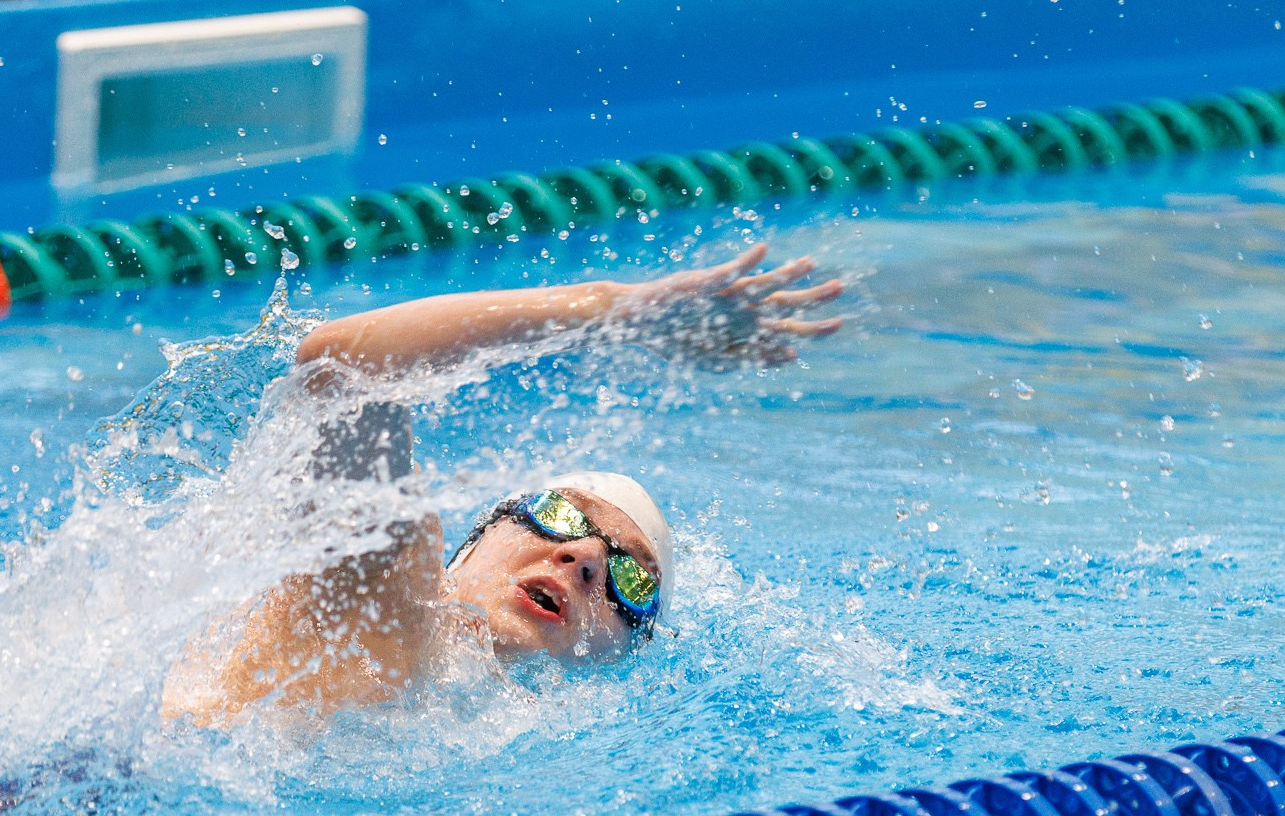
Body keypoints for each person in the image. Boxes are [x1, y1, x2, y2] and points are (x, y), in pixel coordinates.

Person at [161, 243, 842, 727]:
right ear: (471, 543)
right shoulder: (396, 610)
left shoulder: (464, 721)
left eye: (631, 580)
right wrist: (613, 309)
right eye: (556, 516)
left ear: (625, 655)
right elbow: (343, 364)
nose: (585, 558)